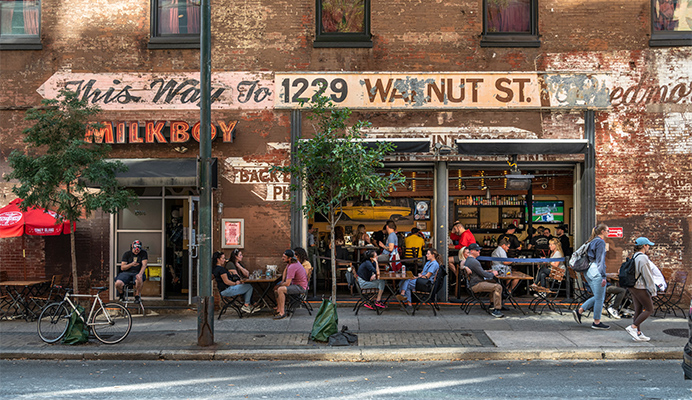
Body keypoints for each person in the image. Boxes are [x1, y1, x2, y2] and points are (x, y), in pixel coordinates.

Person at [572, 223, 610, 330]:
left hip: (588, 271)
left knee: (598, 296)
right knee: (600, 298)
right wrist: (603, 275)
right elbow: (600, 260)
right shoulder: (600, 242)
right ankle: (596, 322)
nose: (609, 232)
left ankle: (579, 311)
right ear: (602, 232)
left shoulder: (591, 241)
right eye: (607, 230)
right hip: (596, 271)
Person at [624, 237, 657, 342]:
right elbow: (648, 276)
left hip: (633, 286)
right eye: (648, 245)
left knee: (638, 309)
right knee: (649, 309)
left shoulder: (635, 256)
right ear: (644, 246)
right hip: (640, 287)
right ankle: (633, 327)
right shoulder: (643, 258)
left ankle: (638, 333)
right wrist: (653, 290)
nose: (649, 247)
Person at [464, 243, 504, 318]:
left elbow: (479, 271)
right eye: (477, 250)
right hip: (476, 285)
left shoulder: (469, 260)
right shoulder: (474, 262)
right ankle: (497, 310)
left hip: (473, 283)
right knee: (498, 287)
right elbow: (484, 275)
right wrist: (493, 274)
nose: (479, 251)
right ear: (472, 251)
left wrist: (488, 271)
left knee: (494, 282)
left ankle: (493, 304)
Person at [273, 249, 308, 320]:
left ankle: (282, 313)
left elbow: (288, 283)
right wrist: (282, 281)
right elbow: (285, 271)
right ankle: (279, 309)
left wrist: (280, 285)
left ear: (290, 258)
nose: (282, 258)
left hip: (300, 287)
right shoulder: (291, 263)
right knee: (276, 289)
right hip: (295, 285)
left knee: (280, 289)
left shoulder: (293, 266)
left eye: (284, 257)